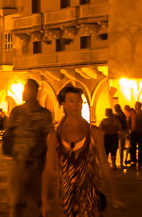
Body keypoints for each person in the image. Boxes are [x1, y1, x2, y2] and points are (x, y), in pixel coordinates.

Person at [42, 86, 113, 217]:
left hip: (90, 197)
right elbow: (48, 169)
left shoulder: (93, 132)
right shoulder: (55, 135)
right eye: (71, 101)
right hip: (65, 198)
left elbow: (104, 164)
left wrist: (113, 194)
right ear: (63, 104)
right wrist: (45, 199)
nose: (76, 104)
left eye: (78, 101)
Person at [4, 79, 54, 217]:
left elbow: (49, 139)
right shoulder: (16, 111)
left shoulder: (44, 114)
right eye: (24, 89)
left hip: (37, 166)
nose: (24, 92)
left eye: (27, 89)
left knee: (37, 202)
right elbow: (8, 134)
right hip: (18, 164)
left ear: (34, 92)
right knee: (16, 203)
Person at [128, 102, 142, 171]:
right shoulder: (132, 113)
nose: (136, 107)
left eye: (137, 105)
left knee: (140, 148)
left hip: (140, 133)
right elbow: (129, 121)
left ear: (140, 106)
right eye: (135, 105)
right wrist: (130, 129)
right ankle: (133, 161)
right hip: (133, 132)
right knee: (133, 147)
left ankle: (140, 162)